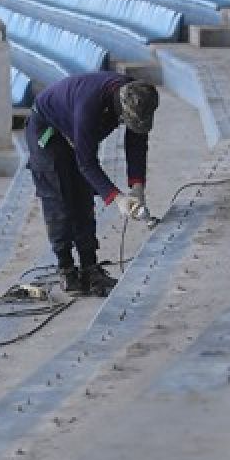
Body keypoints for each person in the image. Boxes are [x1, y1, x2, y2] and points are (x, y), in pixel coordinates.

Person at [25, 71, 159, 297]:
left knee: (83, 196)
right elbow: (86, 163)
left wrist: (137, 187)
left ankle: (90, 267)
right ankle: (66, 268)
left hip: (73, 128)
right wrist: (118, 199)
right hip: (48, 131)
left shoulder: (138, 95)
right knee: (60, 199)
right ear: (121, 110)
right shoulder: (90, 106)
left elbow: (136, 144)